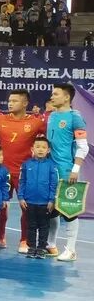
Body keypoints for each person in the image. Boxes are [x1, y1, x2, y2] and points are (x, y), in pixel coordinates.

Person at [0, 90, 45, 253]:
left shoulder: (36, 122)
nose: (10, 103)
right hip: (2, 172)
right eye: (9, 100)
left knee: (26, 207)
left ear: (25, 103)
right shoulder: (0, 119)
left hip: (25, 173)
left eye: (15, 101)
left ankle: (24, 240)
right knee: (0, 206)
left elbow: (50, 136)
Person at [45, 83, 88, 262]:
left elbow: (83, 147)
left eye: (56, 94)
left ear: (66, 97)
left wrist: (75, 170)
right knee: (52, 209)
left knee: (69, 210)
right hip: (50, 170)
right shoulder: (52, 116)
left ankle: (71, 250)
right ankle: (50, 245)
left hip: (66, 170)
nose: (52, 97)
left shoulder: (75, 118)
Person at [19, 137, 58, 259]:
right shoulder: (26, 165)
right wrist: (21, 197)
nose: (40, 149)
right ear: (32, 149)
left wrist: (51, 200)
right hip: (29, 202)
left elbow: (54, 184)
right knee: (31, 226)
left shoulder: (52, 166)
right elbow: (22, 181)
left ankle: (41, 248)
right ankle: (31, 248)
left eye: (44, 147)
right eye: (38, 147)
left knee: (44, 226)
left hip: (45, 203)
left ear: (48, 150)